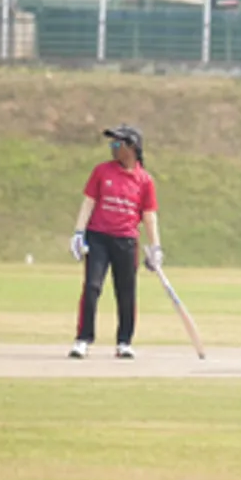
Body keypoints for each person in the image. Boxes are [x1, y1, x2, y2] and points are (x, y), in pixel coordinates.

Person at [68, 125, 162, 360]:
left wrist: (155, 247)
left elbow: (149, 215)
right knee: (92, 287)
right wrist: (79, 232)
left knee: (126, 292)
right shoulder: (102, 171)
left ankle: (124, 342)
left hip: (126, 241)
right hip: (98, 237)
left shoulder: (144, 180)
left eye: (118, 144)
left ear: (132, 148)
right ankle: (83, 339)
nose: (113, 148)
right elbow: (89, 202)